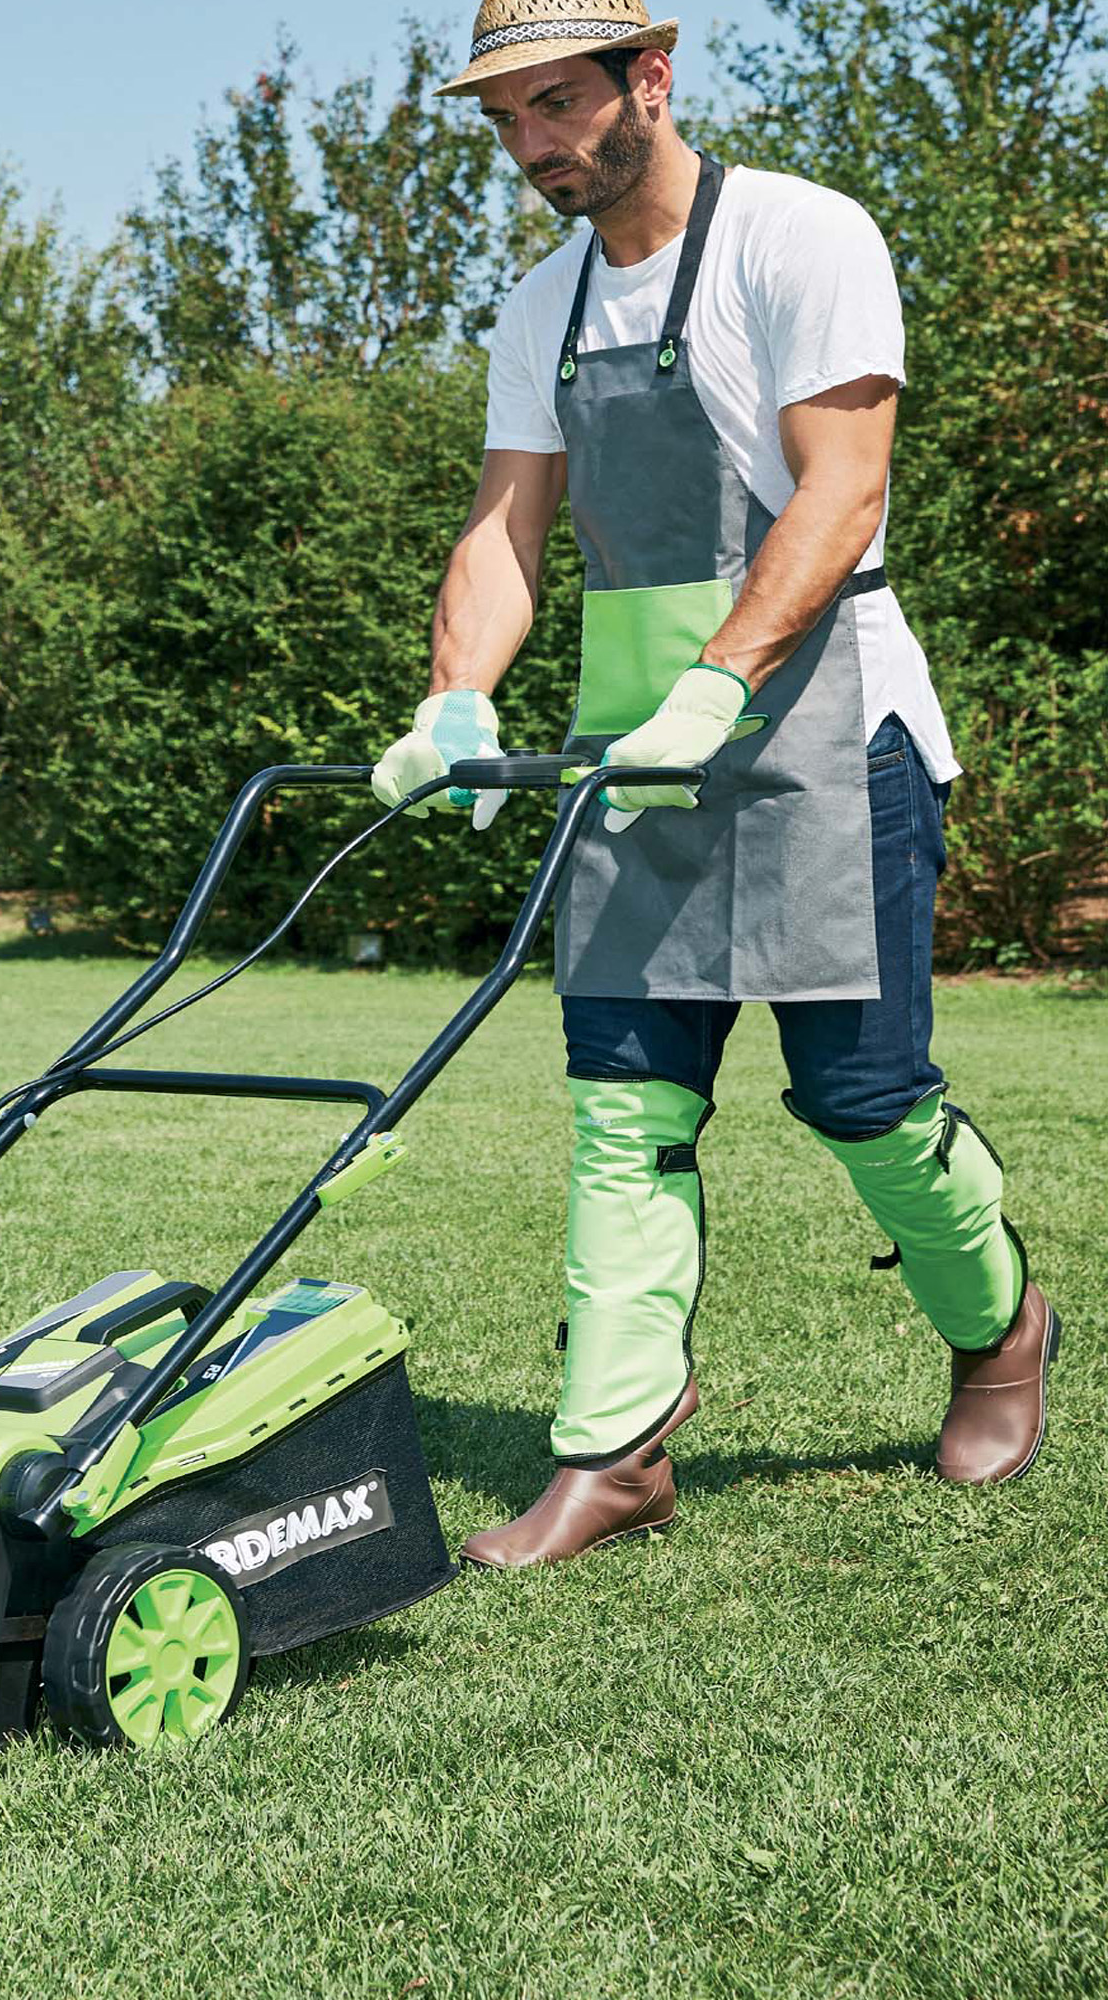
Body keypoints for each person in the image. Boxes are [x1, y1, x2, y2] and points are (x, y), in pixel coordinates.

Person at [370, 0, 1060, 1568]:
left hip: (829, 738)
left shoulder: (801, 238)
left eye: (558, 104)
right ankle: (613, 1454)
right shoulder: (540, 306)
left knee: (864, 1101)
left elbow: (844, 490)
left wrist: (718, 683)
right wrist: (458, 698)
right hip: (635, 761)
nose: (534, 143)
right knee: (624, 1107)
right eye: (508, 118)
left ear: (652, 80)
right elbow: (504, 527)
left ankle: (1001, 1325)